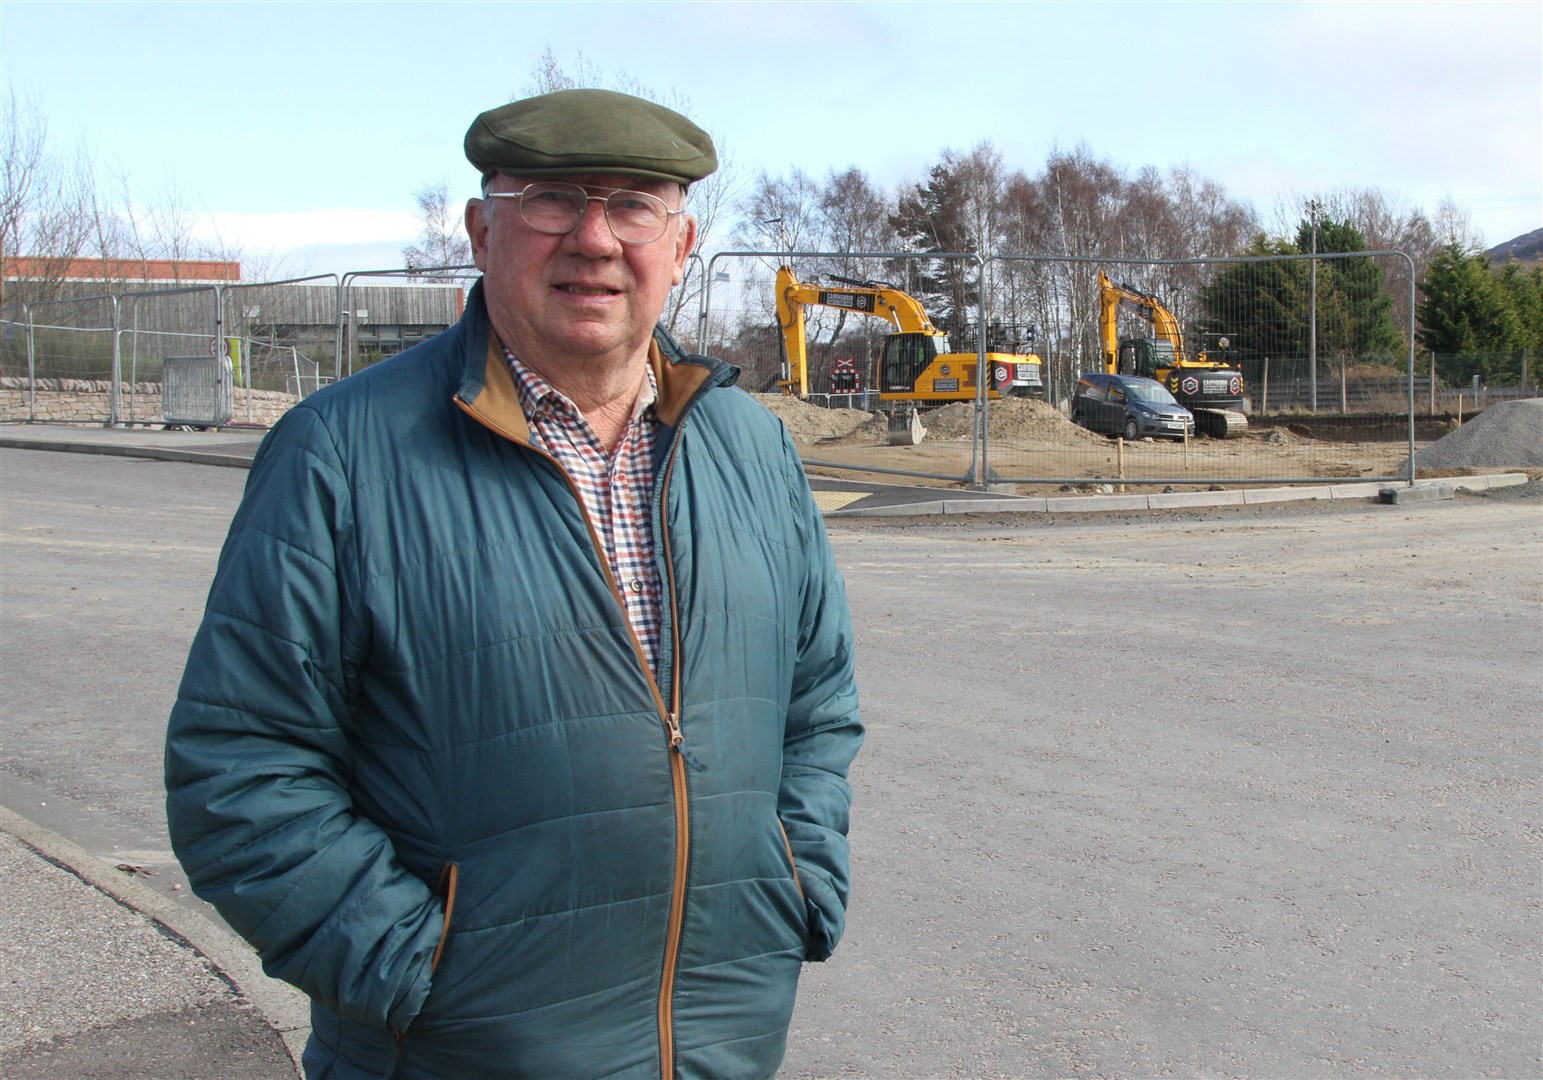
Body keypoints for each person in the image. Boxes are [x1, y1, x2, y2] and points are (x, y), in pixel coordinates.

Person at [165, 88, 862, 1080]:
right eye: (551, 200)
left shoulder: (751, 449)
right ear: (482, 228)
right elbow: (240, 765)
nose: (593, 238)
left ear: (681, 240)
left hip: (716, 1048)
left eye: (632, 205)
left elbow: (818, 704)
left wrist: (795, 882)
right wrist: (423, 972)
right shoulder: (343, 454)